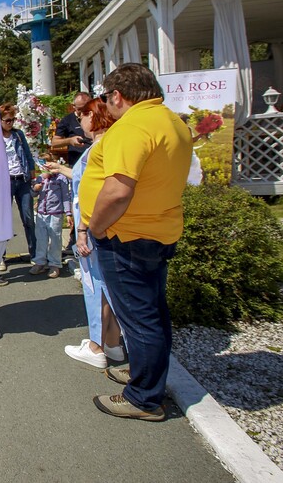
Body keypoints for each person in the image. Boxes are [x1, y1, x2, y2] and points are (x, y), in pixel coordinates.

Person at [78, 64, 192, 422]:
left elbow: (117, 190)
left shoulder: (132, 127)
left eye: (106, 99)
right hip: (157, 230)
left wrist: (95, 227)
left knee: (140, 320)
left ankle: (144, 398)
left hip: (126, 235)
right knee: (153, 313)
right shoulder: (170, 120)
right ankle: (146, 374)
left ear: (116, 96)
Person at [46, 97, 124, 369]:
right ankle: (113, 343)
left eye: (83, 116)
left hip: (92, 227)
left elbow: (95, 192)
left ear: (95, 117)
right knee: (105, 286)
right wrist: (59, 169)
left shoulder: (99, 147)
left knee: (95, 287)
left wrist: (82, 229)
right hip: (99, 226)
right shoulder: (102, 146)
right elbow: (83, 179)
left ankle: (95, 345)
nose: (79, 122)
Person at [51, 92, 93, 258]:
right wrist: (69, 140)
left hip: (94, 163)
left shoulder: (96, 117)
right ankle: (75, 239)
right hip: (75, 167)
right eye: (78, 109)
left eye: (84, 109)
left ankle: (87, 237)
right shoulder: (68, 120)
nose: (81, 112)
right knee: (77, 204)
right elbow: (54, 142)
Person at [0, 103, 37, 272]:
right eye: (7, 120)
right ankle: (0, 257)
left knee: (28, 218)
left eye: (13, 119)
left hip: (22, 180)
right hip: (4, 182)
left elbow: (27, 155)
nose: (10, 123)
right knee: (2, 220)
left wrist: (32, 174)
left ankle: (35, 254)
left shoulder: (18, 135)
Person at [29, 157, 72, 279]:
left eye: (47, 165)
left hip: (55, 213)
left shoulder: (61, 179)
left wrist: (68, 213)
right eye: (43, 166)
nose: (45, 169)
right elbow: (33, 194)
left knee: (55, 238)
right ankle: (40, 262)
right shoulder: (40, 179)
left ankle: (55, 264)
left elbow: (65, 196)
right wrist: (35, 189)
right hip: (42, 213)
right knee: (41, 238)